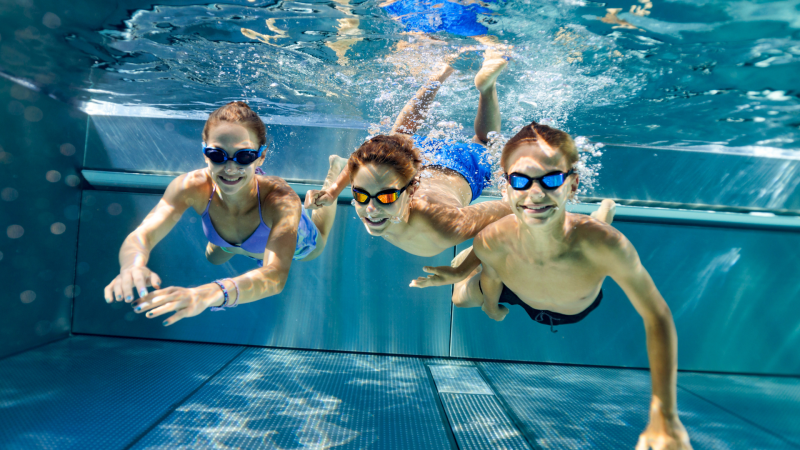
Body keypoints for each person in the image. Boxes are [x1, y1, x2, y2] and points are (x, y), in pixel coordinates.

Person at [413, 121, 692, 450]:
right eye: (521, 180)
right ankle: (462, 270)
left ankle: (602, 214)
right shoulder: (492, 239)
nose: (536, 192)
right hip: (516, 285)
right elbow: (492, 276)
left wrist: (665, 414)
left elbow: (656, 314)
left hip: (573, 303)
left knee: (590, 237)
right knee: (460, 298)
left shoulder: (605, 245)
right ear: (505, 188)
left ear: (572, 185)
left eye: (551, 179)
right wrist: (491, 306)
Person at [103, 102, 345, 326]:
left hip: (295, 241)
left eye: (244, 156)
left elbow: (274, 276)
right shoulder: (191, 186)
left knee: (318, 244)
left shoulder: (281, 200)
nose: (230, 168)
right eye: (217, 155)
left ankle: (332, 181)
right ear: (204, 152)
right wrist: (132, 266)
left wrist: (208, 294)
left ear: (261, 155)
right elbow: (142, 235)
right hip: (229, 242)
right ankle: (231, 243)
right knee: (214, 257)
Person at [303, 49, 513, 257]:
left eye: (386, 197)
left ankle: (484, 87)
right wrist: (332, 192)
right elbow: (361, 165)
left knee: (485, 143)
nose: (371, 209)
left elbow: (510, 208)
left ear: (412, 191)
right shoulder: (390, 193)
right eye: (360, 195)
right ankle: (440, 74)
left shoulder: (444, 225)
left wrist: (507, 191)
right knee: (395, 139)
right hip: (425, 161)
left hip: (463, 170)